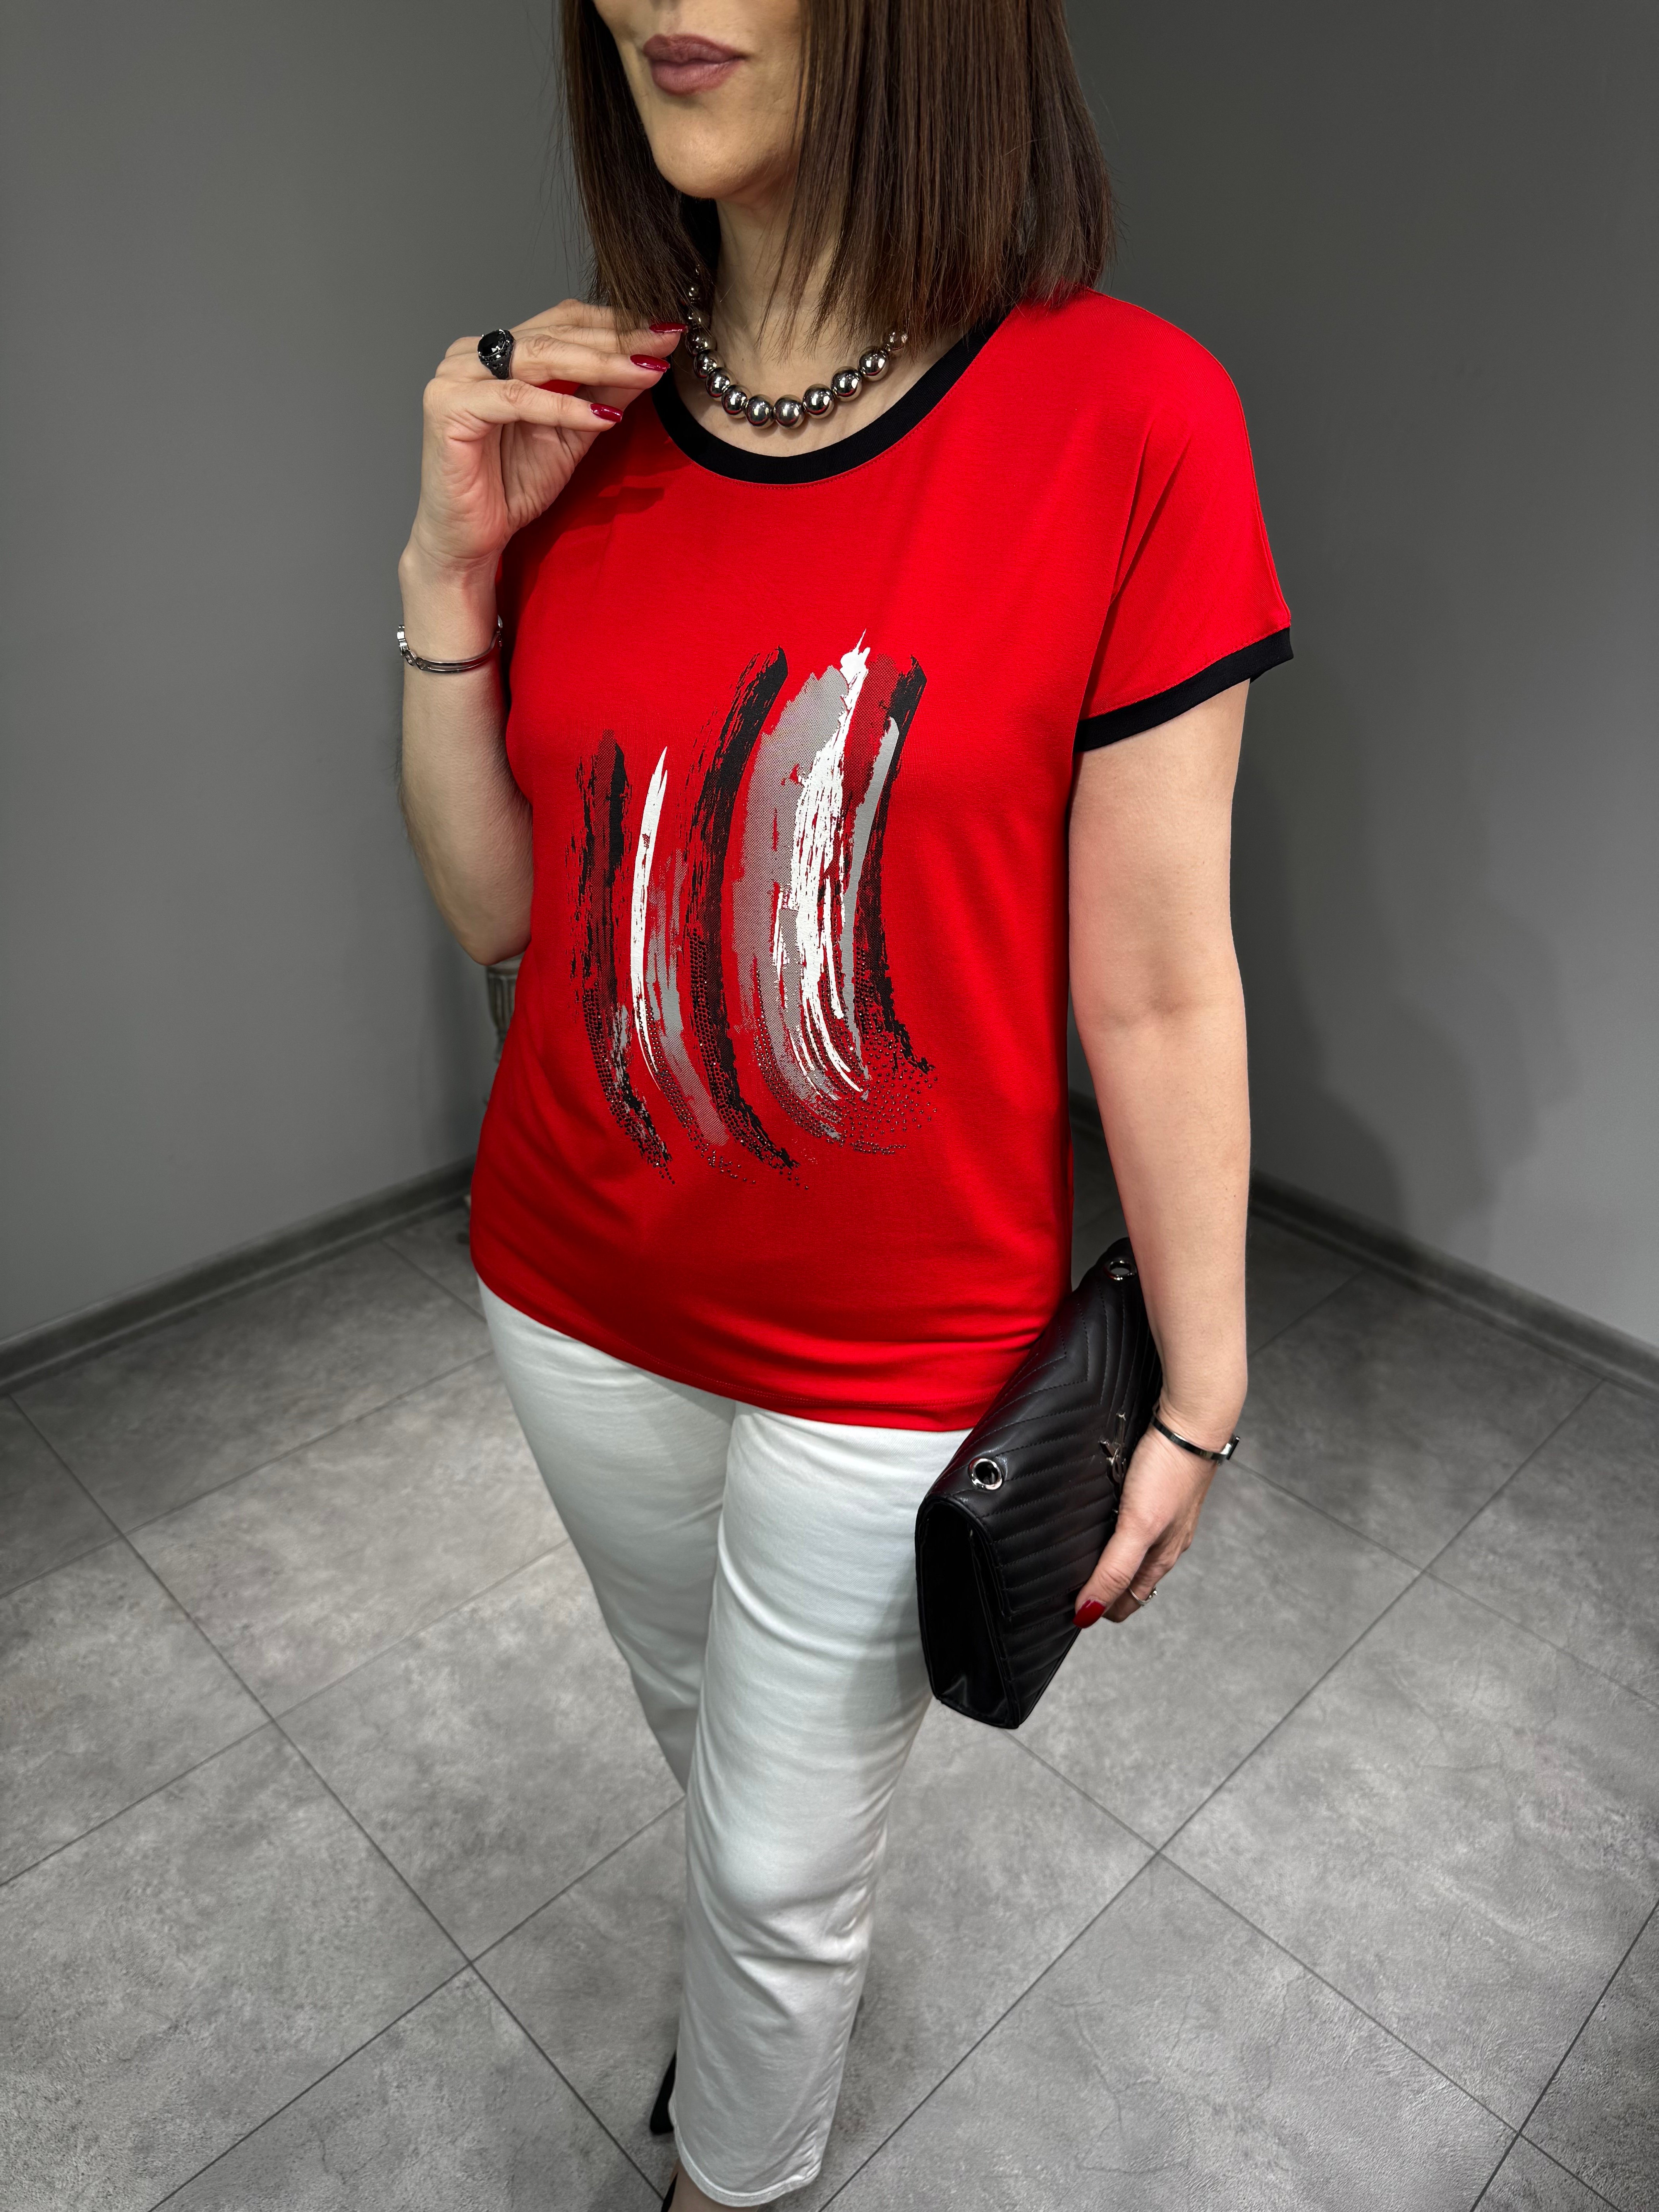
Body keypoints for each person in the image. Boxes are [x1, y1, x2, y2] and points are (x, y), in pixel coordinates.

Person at [397, 2, 1290, 2202]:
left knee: (784, 1862)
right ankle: (748, 2014)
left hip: (893, 1357)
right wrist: (447, 575)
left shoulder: (1131, 417)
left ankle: (739, 2169)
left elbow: (1156, 980)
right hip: (568, 1291)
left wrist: (1199, 1389)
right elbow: (500, 908)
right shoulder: (587, 414)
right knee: (714, 1750)